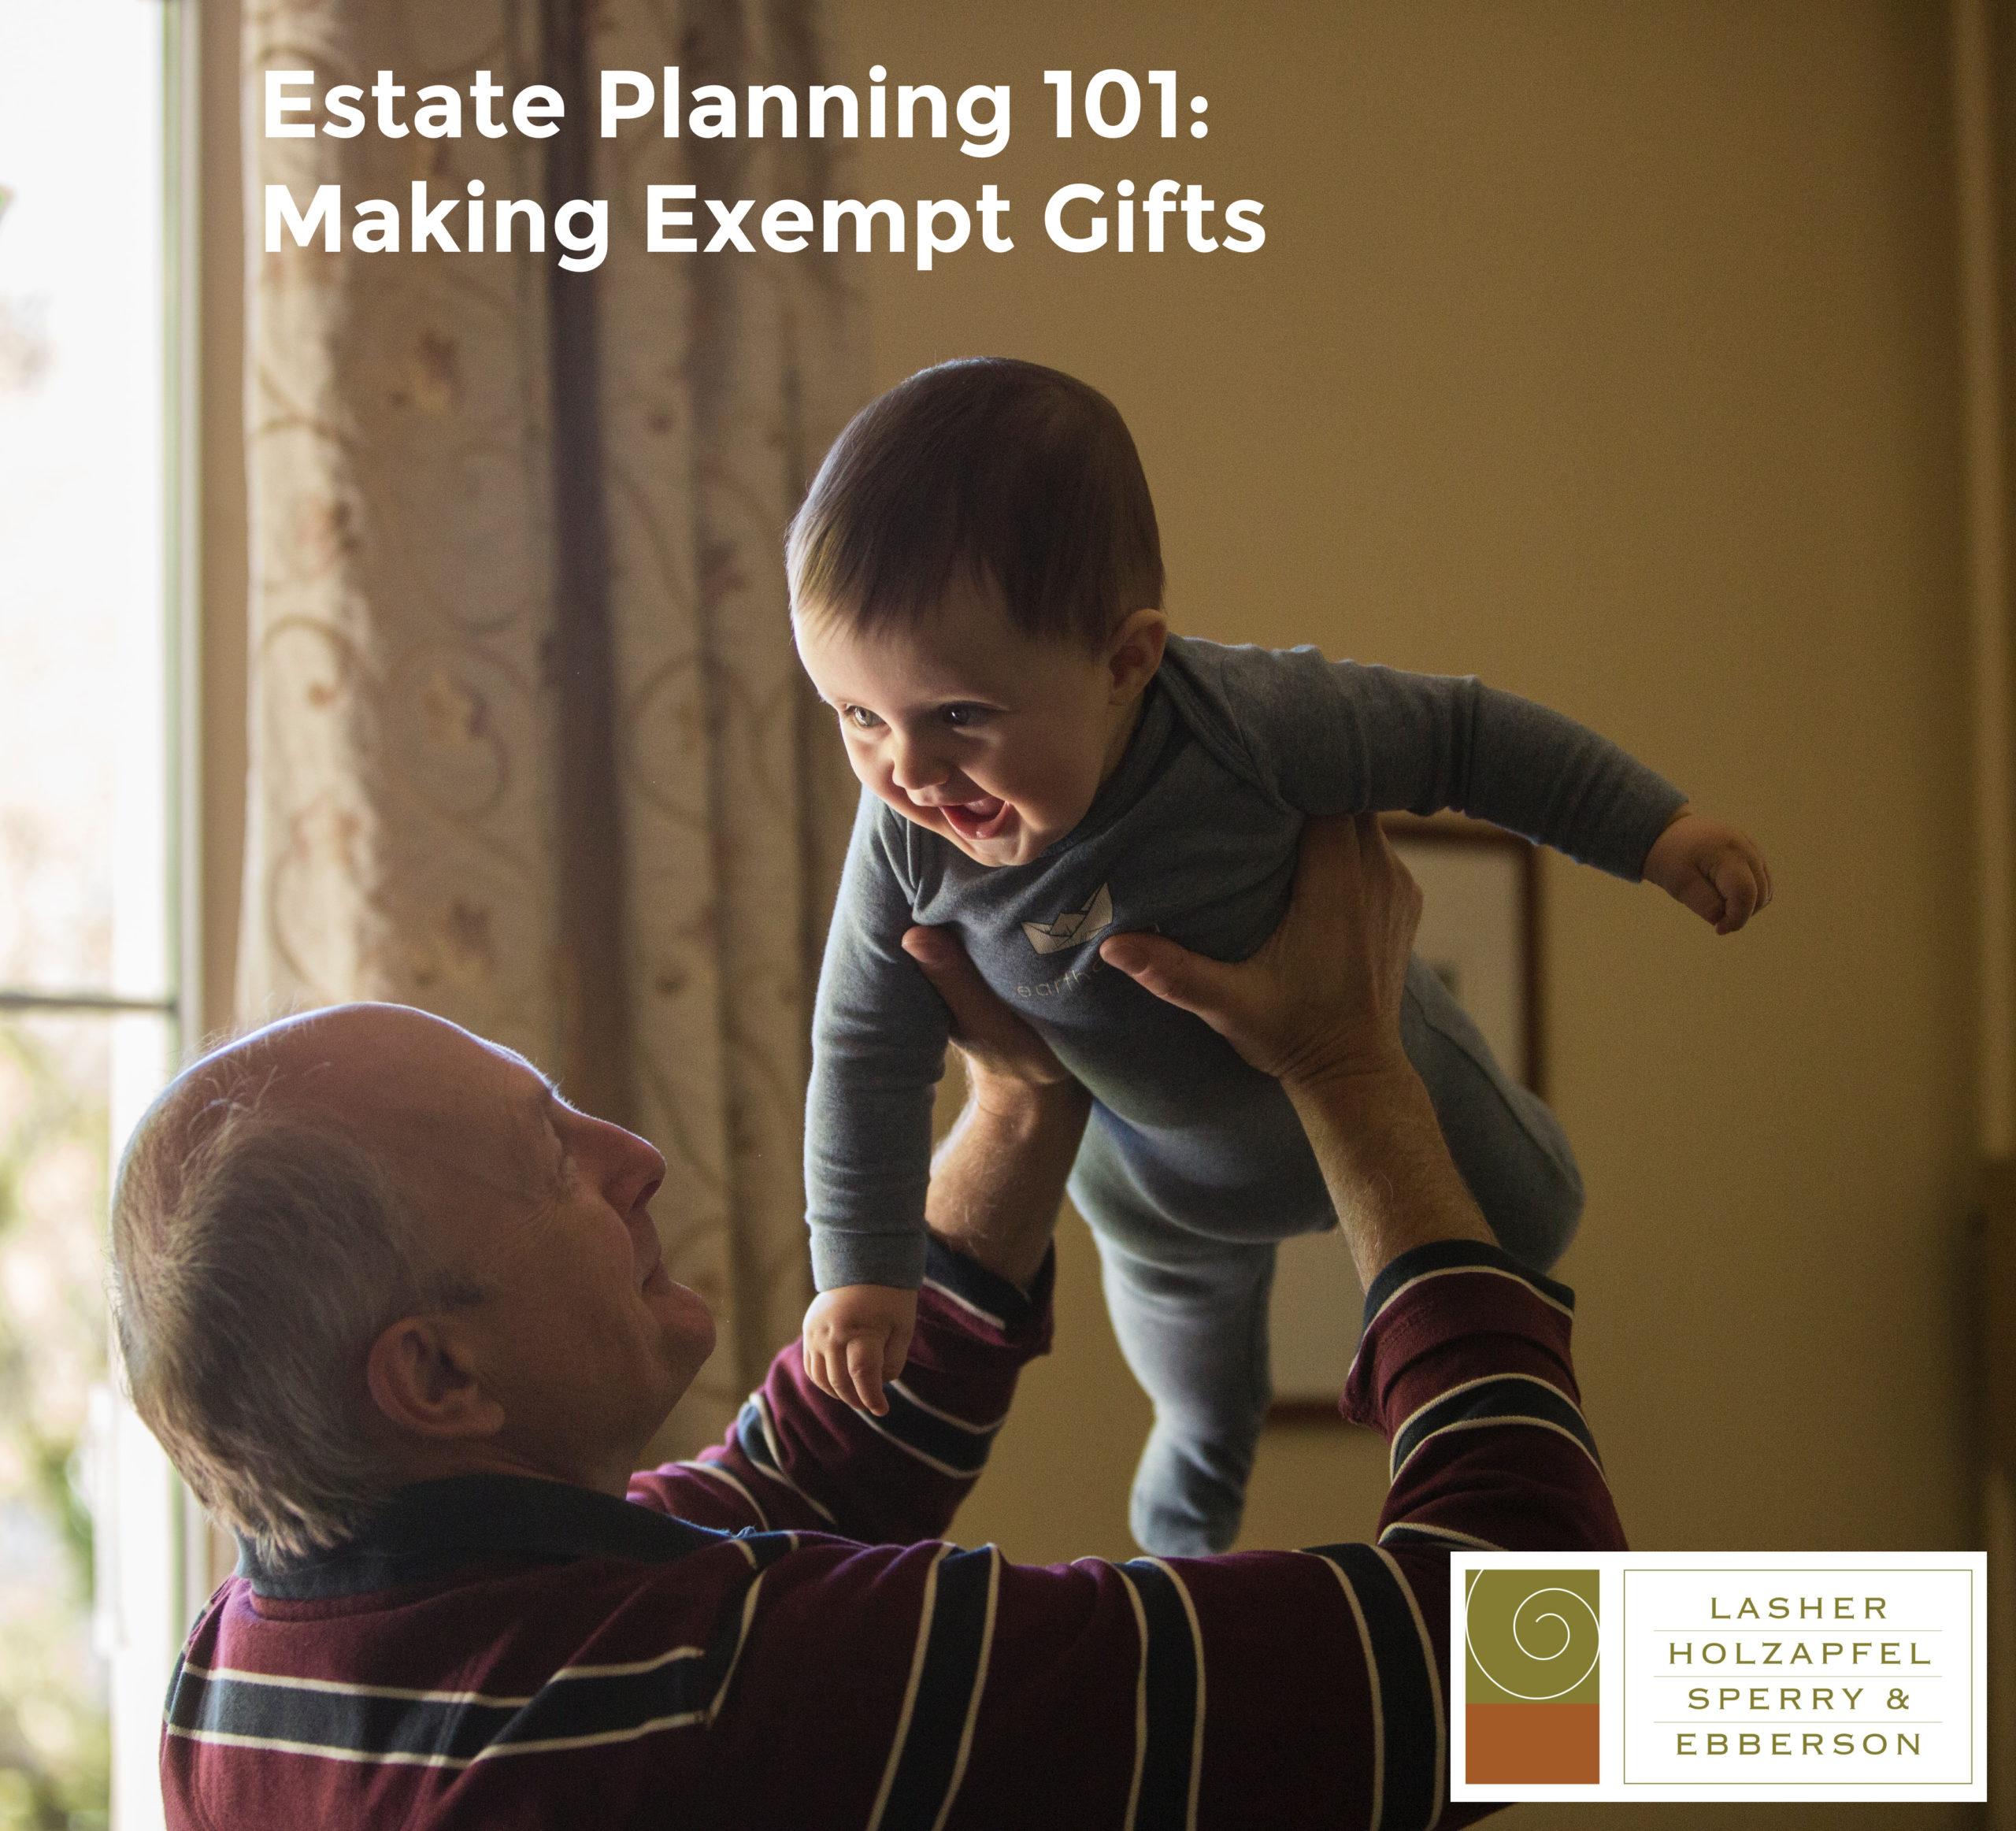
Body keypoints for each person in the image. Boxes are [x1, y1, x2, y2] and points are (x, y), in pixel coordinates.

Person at [117, 815, 1621, 1829]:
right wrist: (1356, 1070)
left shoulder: (249, 1669)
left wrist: (1026, 1099)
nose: (629, 1155)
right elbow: (1538, 1667)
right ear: (436, 1373)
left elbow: (790, 1480)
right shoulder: (733, 1694)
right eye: (548, 1158)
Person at [791, 356, 1771, 1553]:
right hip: (1158, 1190)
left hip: (1384, 1067)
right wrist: (862, 1268)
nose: (909, 771)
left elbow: (1464, 737)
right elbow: (862, 1050)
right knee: (1202, 1405)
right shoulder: (902, 841)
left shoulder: (1249, 723)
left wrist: (1657, 831)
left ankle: (1525, 1689)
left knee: (1539, 1218)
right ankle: (1184, 1561)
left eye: (958, 715)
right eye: (857, 716)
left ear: (1125, 662)